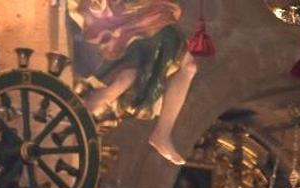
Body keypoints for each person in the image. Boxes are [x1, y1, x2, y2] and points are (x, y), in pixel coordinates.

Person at [69, 0, 202, 164]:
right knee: (124, 81)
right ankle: (78, 122)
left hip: (142, 20)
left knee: (187, 66)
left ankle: (162, 133)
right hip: (131, 23)